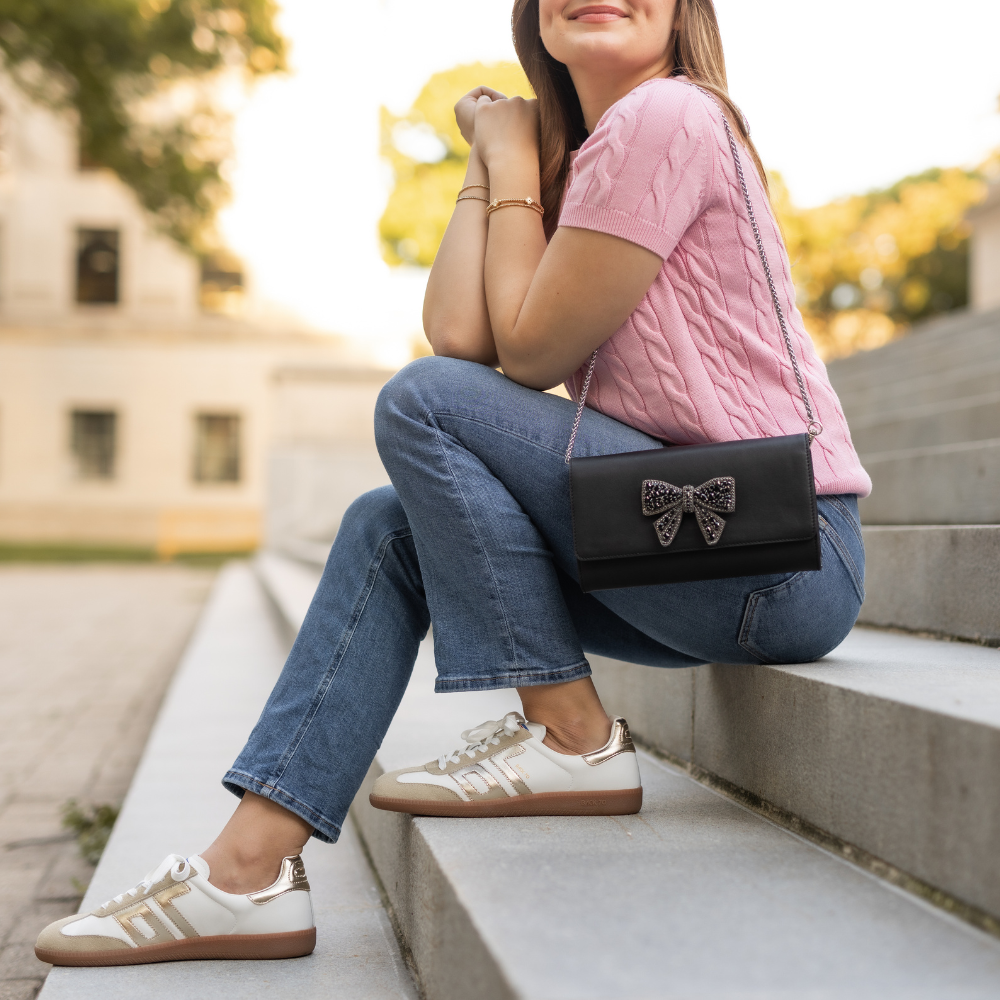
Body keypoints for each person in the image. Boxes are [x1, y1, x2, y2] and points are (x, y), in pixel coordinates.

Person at [36, 0, 871, 968]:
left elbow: (509, 358)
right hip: (685, 538)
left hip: (783, 545)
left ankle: (568, 735)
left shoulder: (669, 117)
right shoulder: (591, 157)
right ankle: (246, 874)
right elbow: (464, 336)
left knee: (422, 403)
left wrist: (511, 160)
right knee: (389, 528)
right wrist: (495, 158)